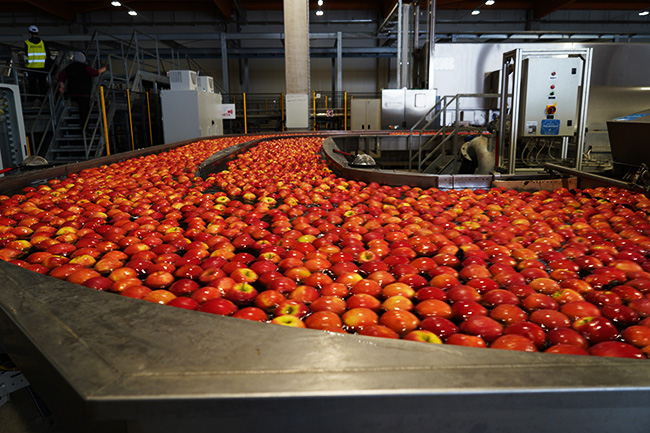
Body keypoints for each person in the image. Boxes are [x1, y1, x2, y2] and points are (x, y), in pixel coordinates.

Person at [58, 52, 106, 129]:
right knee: (85, 112)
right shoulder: (85, 67)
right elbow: (94, 73)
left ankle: (79, 126)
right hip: (84, 93)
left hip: (72, 93)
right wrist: (103, 69)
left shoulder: (69, 67)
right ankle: (84, 128)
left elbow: (61, 75)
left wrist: (62, 86)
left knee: (77, 107)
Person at [24, 25, 51, 97]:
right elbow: (48, 54)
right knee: (42, 84)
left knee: (32, 85)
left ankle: (33, 99)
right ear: (37, 33)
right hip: (42, 67)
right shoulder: (43, 43)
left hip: (32, 68)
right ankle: (43, 99)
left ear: (30, 34)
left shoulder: (27, 43)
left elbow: (26, 53)